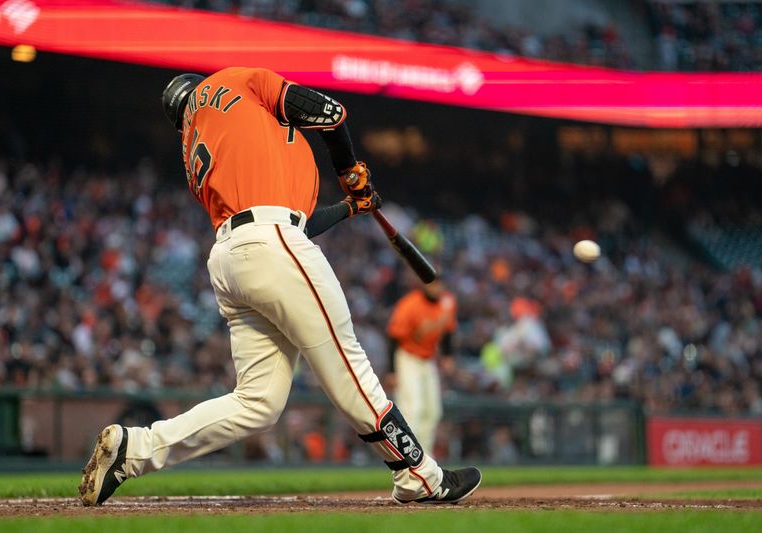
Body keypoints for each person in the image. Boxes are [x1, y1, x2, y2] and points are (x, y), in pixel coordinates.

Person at [79, 67, 481, 506]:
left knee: (257, 402)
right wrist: (348, 169)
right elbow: (331, 113)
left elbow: (296, 225)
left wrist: (349, 207)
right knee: (349, 363)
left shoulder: (201, 144)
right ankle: (419, 476)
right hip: (271, 243)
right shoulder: (230, 82)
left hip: (234, 257)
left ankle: (134, 450)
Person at [387, 278, 457, 453]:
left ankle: (425, 457)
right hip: (407, 358)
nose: (435, 287)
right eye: (432, 283)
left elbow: (448, 331)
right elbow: (393, 337)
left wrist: (448, 355)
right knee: (413, 409)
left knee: (433, 411)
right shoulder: (409, 305)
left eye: (439, 283)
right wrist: (391, 370)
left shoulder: (447, 302)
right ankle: (408, 456)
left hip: (428, 360)